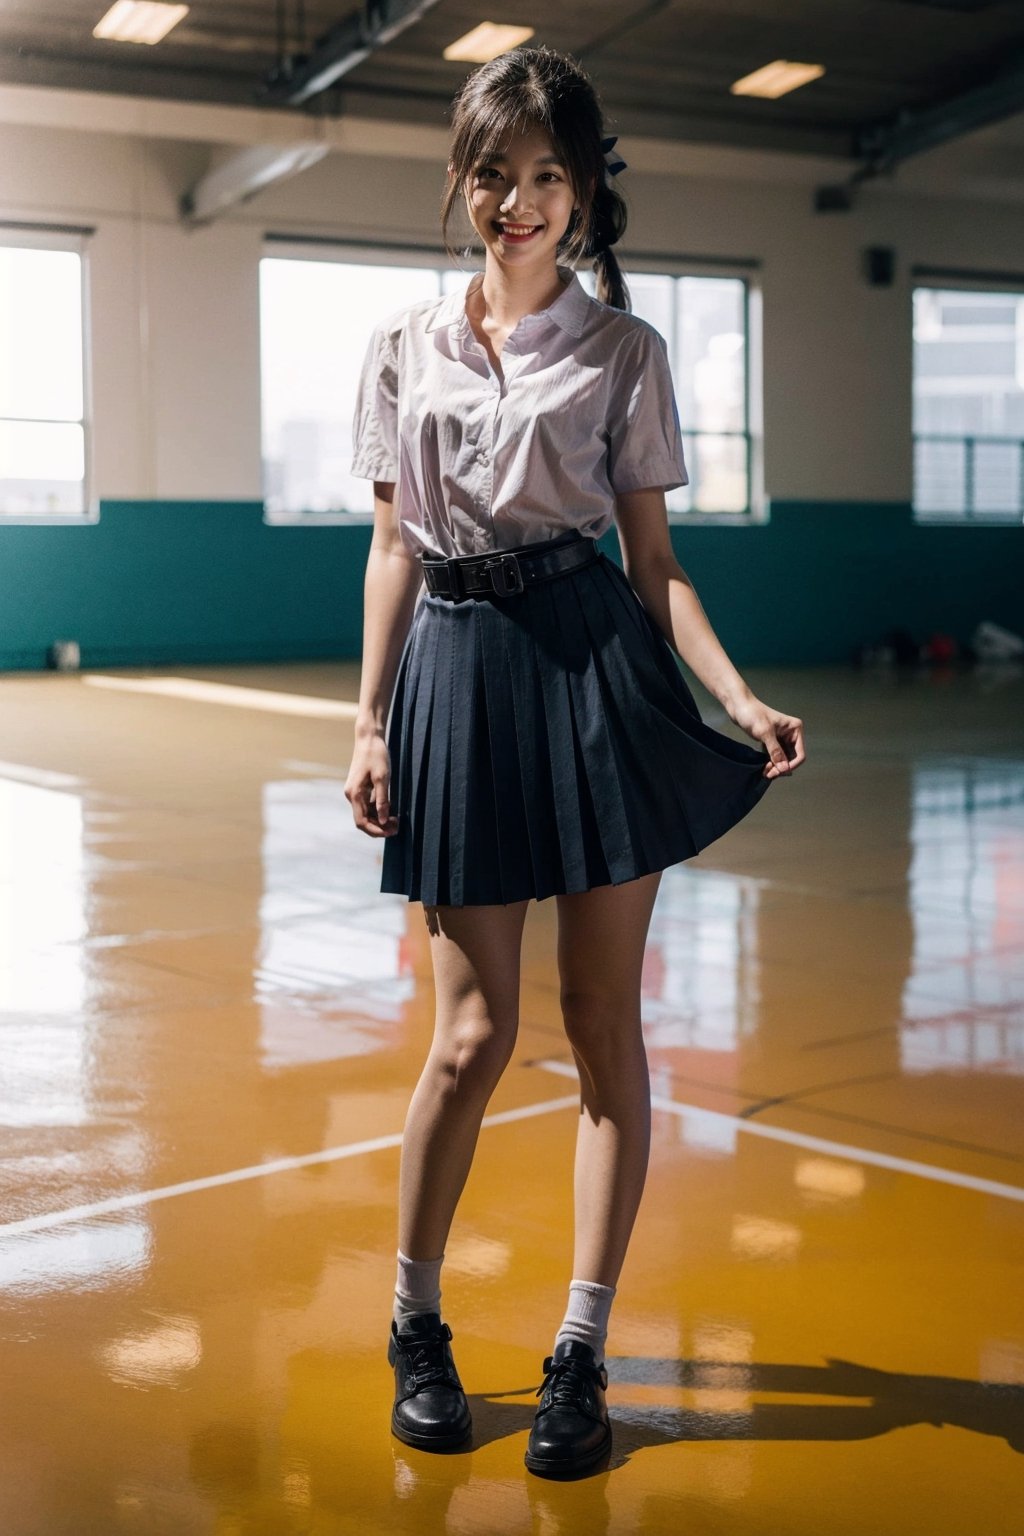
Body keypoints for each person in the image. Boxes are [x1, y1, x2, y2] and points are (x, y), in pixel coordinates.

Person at [344, 45, 805, 1480]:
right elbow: (397, 546)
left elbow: (653, 563)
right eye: (497, 174)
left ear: (588, 190)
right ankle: (416, 1324)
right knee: (471, 1039)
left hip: (595, 670)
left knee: (607, 1032)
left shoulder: (627, 355)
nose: (520, 200)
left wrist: (733, 696)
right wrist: (368, 720)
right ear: (463, 184)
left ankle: (579, 1354)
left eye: (550, 175)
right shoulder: (403, 344)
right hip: (460, 676)